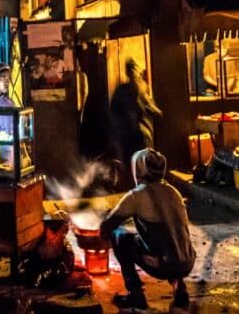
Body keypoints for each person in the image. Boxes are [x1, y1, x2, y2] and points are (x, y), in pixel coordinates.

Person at [100, 148, 195, 311]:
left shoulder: (137, 195)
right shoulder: (173, 192)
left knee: (120, 236)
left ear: (138, 170)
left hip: (160, 264)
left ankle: (135, 294)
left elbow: (108, 225)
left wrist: (101, 225)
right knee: (169, 240)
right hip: (186, 262)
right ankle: (181, 290)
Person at [110, 58, 162, 190]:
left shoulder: (132, 89)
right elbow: (114, 112)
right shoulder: (131, 90)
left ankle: (137, 192)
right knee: (136, 165)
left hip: (133, 135)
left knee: (136, 165)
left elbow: (149, 106)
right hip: (133, 135)